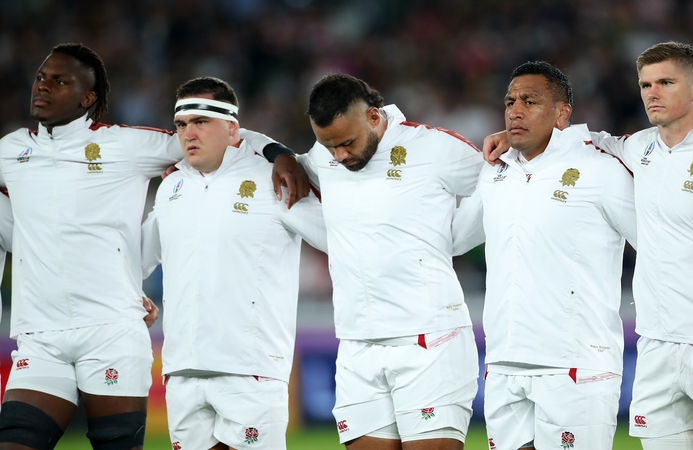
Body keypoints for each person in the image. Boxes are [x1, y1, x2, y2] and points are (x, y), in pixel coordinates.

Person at [0, 43, 308, 450]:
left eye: (60, 80)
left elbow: (215, 132)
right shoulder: (9, 151)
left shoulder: (128, 145)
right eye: (41, 77)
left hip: (110, 331)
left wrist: (277, 151)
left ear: (88, 97)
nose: (43, 86)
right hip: (39, 335)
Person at [484, 42, 693, 450]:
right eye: (645, 84)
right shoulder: (640, 148)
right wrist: (517, 132)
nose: (652, 93)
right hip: (655, 343)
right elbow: (589, 139)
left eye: (666, 82)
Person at [452, 61, 636, 450]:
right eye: (510, 101)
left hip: (575, 361)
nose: (515, 109)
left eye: (530, 101)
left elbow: (656, 241)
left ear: (562, 113)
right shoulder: (496, 171)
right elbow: (451, 239)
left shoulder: (600, 168)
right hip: (504, 359)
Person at [141, 76, 327, 450]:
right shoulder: (172, 187)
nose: (188, 133)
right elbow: (138, 257)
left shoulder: (275, 176)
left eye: (200, 122)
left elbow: (341, 239)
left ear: (231, 127)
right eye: (181, 124)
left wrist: (278, 153)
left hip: (250, 368)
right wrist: (128, 294)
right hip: (182, 369)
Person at [299, 74, 483, 450]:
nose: (339, 156)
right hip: (355, 342)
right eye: (328, 146)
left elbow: (503, 187)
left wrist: (448, 241)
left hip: (430, 339)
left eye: (346, 143)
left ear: (372, 116)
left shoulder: (434, 147)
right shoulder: (326, 155)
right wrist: (281, 157)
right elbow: (301, 170)